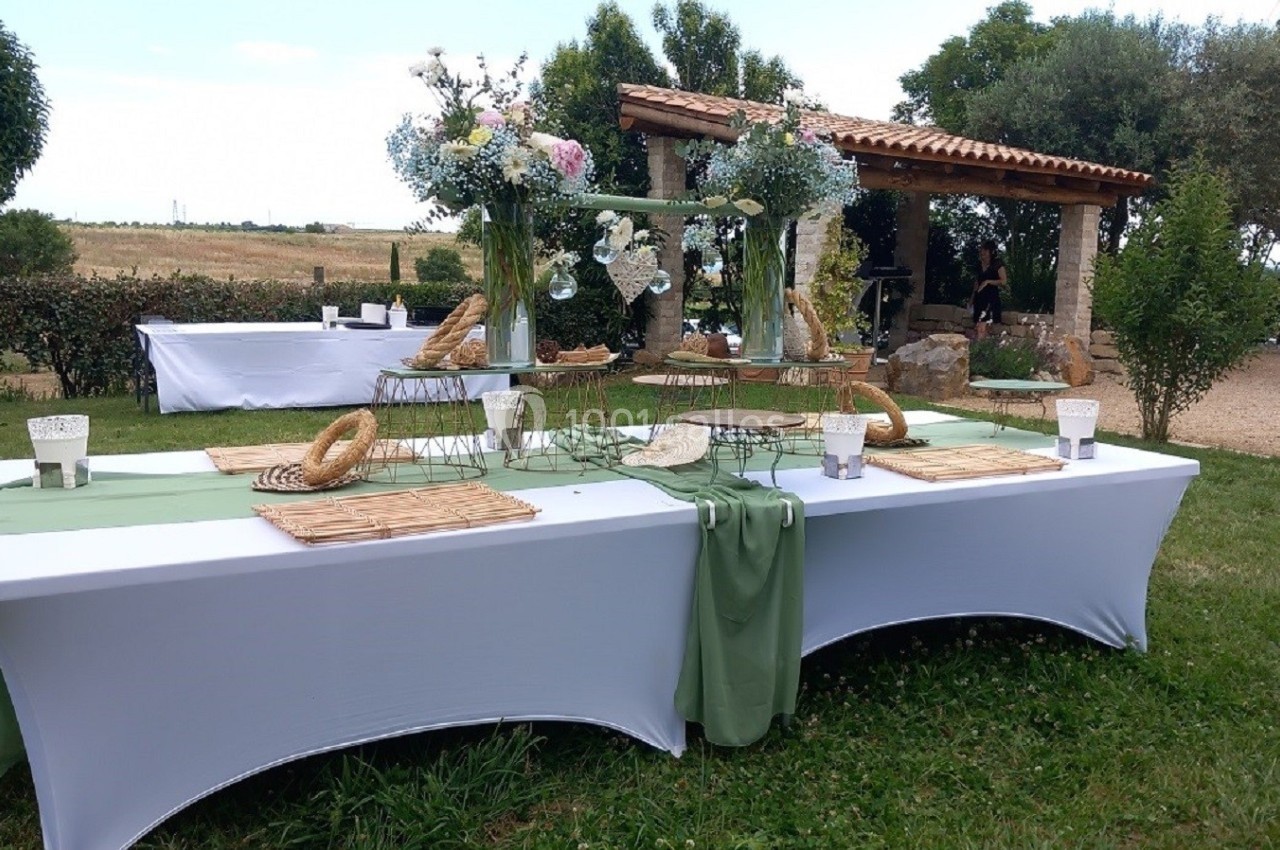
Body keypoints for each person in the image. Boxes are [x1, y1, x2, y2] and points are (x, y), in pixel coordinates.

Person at [971, 240, 1006, 340]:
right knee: (978, 326)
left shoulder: (997, 264)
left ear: (991, 251)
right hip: (979, 299)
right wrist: (971, 299)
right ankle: (981, 348)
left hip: (991, 299)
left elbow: (1003, 281)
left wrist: (988, 281)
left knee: (983, 326)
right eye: (981, 250)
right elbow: (976, 284)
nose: (982, 252)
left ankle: (980, 349)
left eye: (985, 250)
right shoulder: (978, 265)